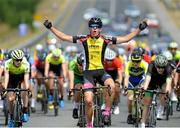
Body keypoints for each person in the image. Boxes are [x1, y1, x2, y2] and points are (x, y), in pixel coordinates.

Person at [43, 17, 148, 127]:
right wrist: (50, 27)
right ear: (89, 28)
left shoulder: (105, 39)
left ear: (100, 29)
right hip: (88, 74)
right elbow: (64, 37)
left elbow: (125, 39)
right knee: (88, 101)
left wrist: (139, 29)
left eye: (97, 27)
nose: (94, 29)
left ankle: (106, 111)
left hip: (101, 72)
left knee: (112, 86)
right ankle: (89, 124)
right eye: (92, 27)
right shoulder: (83, 39)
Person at [141, 54, 172, 128]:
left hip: (162, 82)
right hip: (152, 82)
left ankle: (160, 109)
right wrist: (144, 89)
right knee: (147, 103)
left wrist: (167, 91)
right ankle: (143, 123)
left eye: (162, 67)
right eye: (158, 67)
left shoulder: (168, 67)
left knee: (164, 91)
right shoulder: (151, 65)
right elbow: (147, 79)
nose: (160, 69)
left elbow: (168, 82)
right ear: (155, 65)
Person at [3, 49, 30, 127]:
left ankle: (24, 110)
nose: (19, 62)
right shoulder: (7, 63)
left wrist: (27, 88)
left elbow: (26, 78)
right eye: (17, 60)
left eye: (20, 59)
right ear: (13, 59)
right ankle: (11, 118)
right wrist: (5, 88)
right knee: (10, 98)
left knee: (25, 89)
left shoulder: (26, 64)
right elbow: (6, 77)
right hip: (11, 79)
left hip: (21, 79)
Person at [123, 51, 148, 124]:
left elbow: (146, 77)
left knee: (143, 96)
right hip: (131, 81)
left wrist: (143, 87)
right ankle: (130, 114)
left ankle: (142, 110)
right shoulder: (128, 64)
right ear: (131, 60)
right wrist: (125, 87)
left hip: (141, 80)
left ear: (141, 59)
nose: (135, 63)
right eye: (134, 61)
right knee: (130, 99)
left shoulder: (145, 64)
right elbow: (126, 77)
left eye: (137, 61)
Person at [104, 48, 123, 115]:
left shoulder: (117, 61)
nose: (109, 62)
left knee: (116, 88)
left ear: (114, 59)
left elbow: (120, 74)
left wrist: (119, 82)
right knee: (104, 87)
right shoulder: (104, 62)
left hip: (115, 74)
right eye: (108, 60)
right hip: (107, 73)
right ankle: (104, 102)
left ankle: (116, 105)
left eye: (111, 60)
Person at [68, 53, 84, 119]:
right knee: (78, 89)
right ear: (77, 64)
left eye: (83, 65)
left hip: (87, 75)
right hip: (77, 77)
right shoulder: (72, 64)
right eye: (80, 65)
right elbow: (71, 80)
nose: (81, 67)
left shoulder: (90, 64)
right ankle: (75, 108)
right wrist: (71, 90)